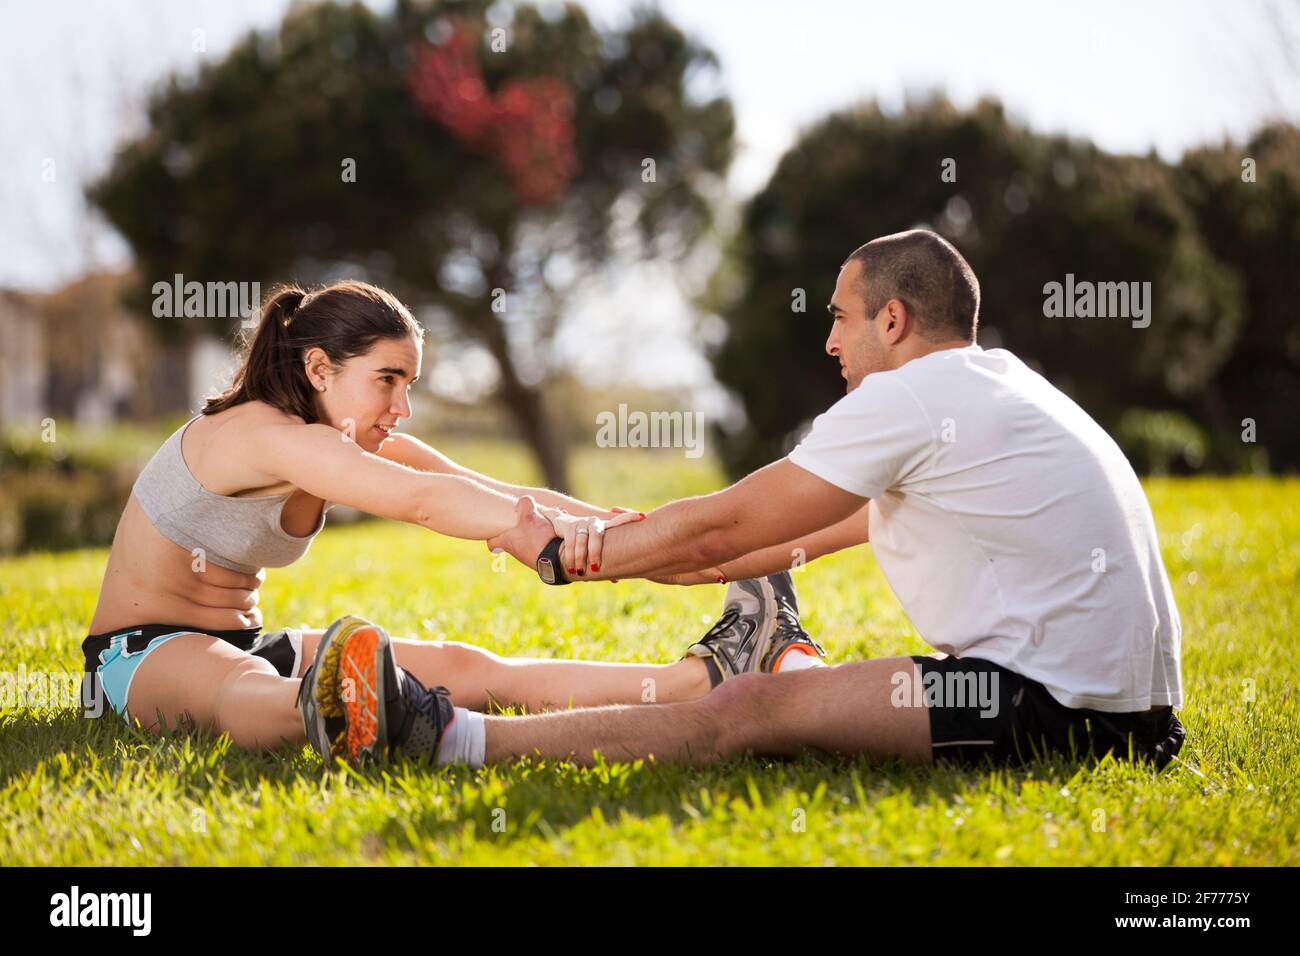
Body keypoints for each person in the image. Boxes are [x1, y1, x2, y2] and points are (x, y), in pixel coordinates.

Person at [308, 229, 1186, 771]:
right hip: (1133, 716)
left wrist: (568, 554)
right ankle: (781, 643)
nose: (829, 337)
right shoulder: (992, 391)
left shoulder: (910, 398)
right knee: (784, 680)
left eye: (841, 315)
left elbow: (726, 524)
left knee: (740, 715)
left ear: (892, 323)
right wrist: (617, 542)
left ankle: (450, 738)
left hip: (1049, 709)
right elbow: (769, 543)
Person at [82, 279, 824, 761]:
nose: (400, 407)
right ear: (318, 370)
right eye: (387, 381)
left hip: (248, 638)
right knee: (233, 687)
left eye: (409, 384)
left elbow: (480, 487)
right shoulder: (263, 434)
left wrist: (640, 537)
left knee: (475, 670)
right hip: (137, 657)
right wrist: (543, 548)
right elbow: (424, 503)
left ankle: (704, 680)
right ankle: (335, 703)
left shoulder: (345, 437)